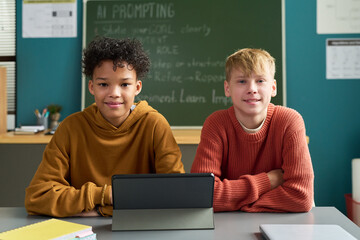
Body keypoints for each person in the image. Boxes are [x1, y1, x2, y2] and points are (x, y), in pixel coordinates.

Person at [25, 37, 185, 217]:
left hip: (139, 229)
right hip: (83, 231)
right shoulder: (70, 128)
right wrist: (106, 195)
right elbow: (38, 197)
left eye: (124, 84)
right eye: (103, 84)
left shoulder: (155, 125)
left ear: (137, 87)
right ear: (91, 87)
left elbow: (176, 195)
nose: (114, 94)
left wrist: (98, 210)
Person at [191, 48, 314, 212]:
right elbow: (201, 194)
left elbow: (301, 197)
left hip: (284, 224)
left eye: (260, 81)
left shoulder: (289, 121)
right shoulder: (216, 124)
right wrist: (269, 181)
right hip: (230, 226)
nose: (252, 89)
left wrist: (240, 203)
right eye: (242, 81)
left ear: (273, 87)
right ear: (227, 88)